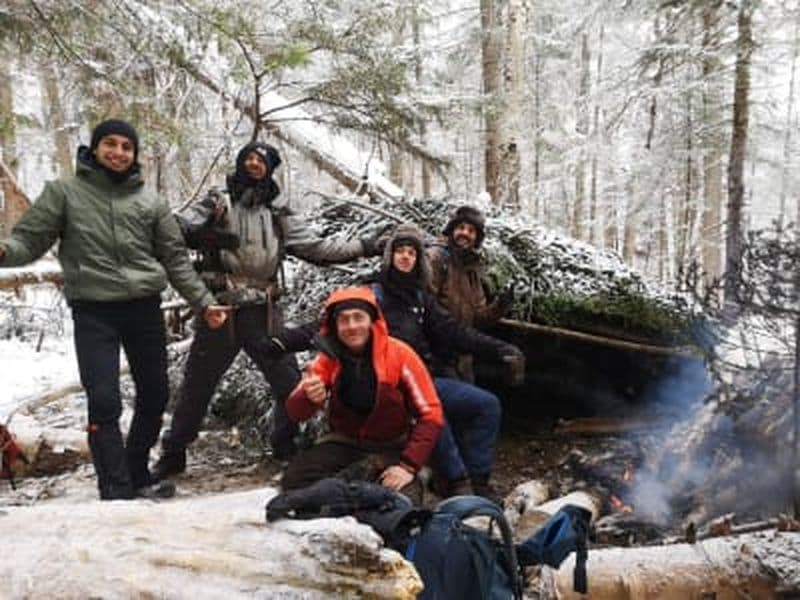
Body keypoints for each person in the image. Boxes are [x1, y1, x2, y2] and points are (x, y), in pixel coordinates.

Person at [0, 119, 228, 500]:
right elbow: (29, 239)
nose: (119, 152)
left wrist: (204, 303)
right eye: (111, 144)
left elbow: (175, 260)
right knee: (104, 399)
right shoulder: (64, 193)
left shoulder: (150, 202)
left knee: (155, 395)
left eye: (127, 146)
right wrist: (7, 252)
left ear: (134, 154)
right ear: (95, 148)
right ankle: (115, 489)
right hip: (93, 312)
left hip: (144, 309)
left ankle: (136, 471)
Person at [152, 141, 384, 480]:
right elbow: (179, 228)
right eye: (248, 158)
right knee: (198, 386)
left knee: (289, 384)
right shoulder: (219, 199)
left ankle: (284, 445)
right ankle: (174, 453)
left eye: (261, 160)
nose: (253, 164)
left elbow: (315, 247)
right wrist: (202, 235)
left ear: (271, 167)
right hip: (221, 310)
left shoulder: (278, 209)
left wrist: (364, 246)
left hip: (264, 311)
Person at [265, 224, 525, 498]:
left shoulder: (421, 298)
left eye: (411, 252)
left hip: (421, 374)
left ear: (417, 259)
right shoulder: (372, 296)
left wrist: (501, 349)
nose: (405, 257)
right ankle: (456, 482)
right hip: (388, 384)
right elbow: (329, 328)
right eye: (399, 251)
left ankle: (477, 480)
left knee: (485, 404)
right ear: (390, 256)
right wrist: (283, 342)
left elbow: (455, 332)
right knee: (434, 415)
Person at [280, 287, 443, 497]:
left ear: (372, 321)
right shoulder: (328, 358)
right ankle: (355, 486)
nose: (352, 326)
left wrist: (408, 466)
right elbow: (296, 412)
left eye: (359, 317)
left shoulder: (400, 355)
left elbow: (431, 414)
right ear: (335, 326)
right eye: (344, 320)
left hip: (392, 446)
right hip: (345, 443)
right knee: (294, 480)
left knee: (402, 499)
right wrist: (307, 398)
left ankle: (381, 480)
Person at [428, 205, 515, 382]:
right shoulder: (436, 259)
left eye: (471, 231)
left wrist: (501, 305)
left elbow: (479, 318)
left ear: (477, 238)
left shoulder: (473, 271)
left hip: (463, 363)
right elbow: (427, 308)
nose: (465, 233)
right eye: (461, 228)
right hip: (437, 359)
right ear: (452, 230)